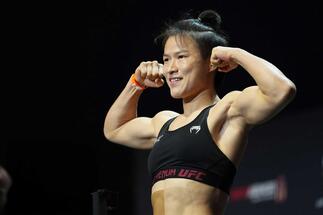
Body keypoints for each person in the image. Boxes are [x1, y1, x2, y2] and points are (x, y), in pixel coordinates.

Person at [103, 9, 296, 215]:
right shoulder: (163, 122)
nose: (170, 68)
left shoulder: (226, 111)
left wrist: (234, 54)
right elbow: (114, 129)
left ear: (211, 62)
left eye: (181, 57)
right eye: (166, 59)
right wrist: (136, 84)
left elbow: (281, 90)